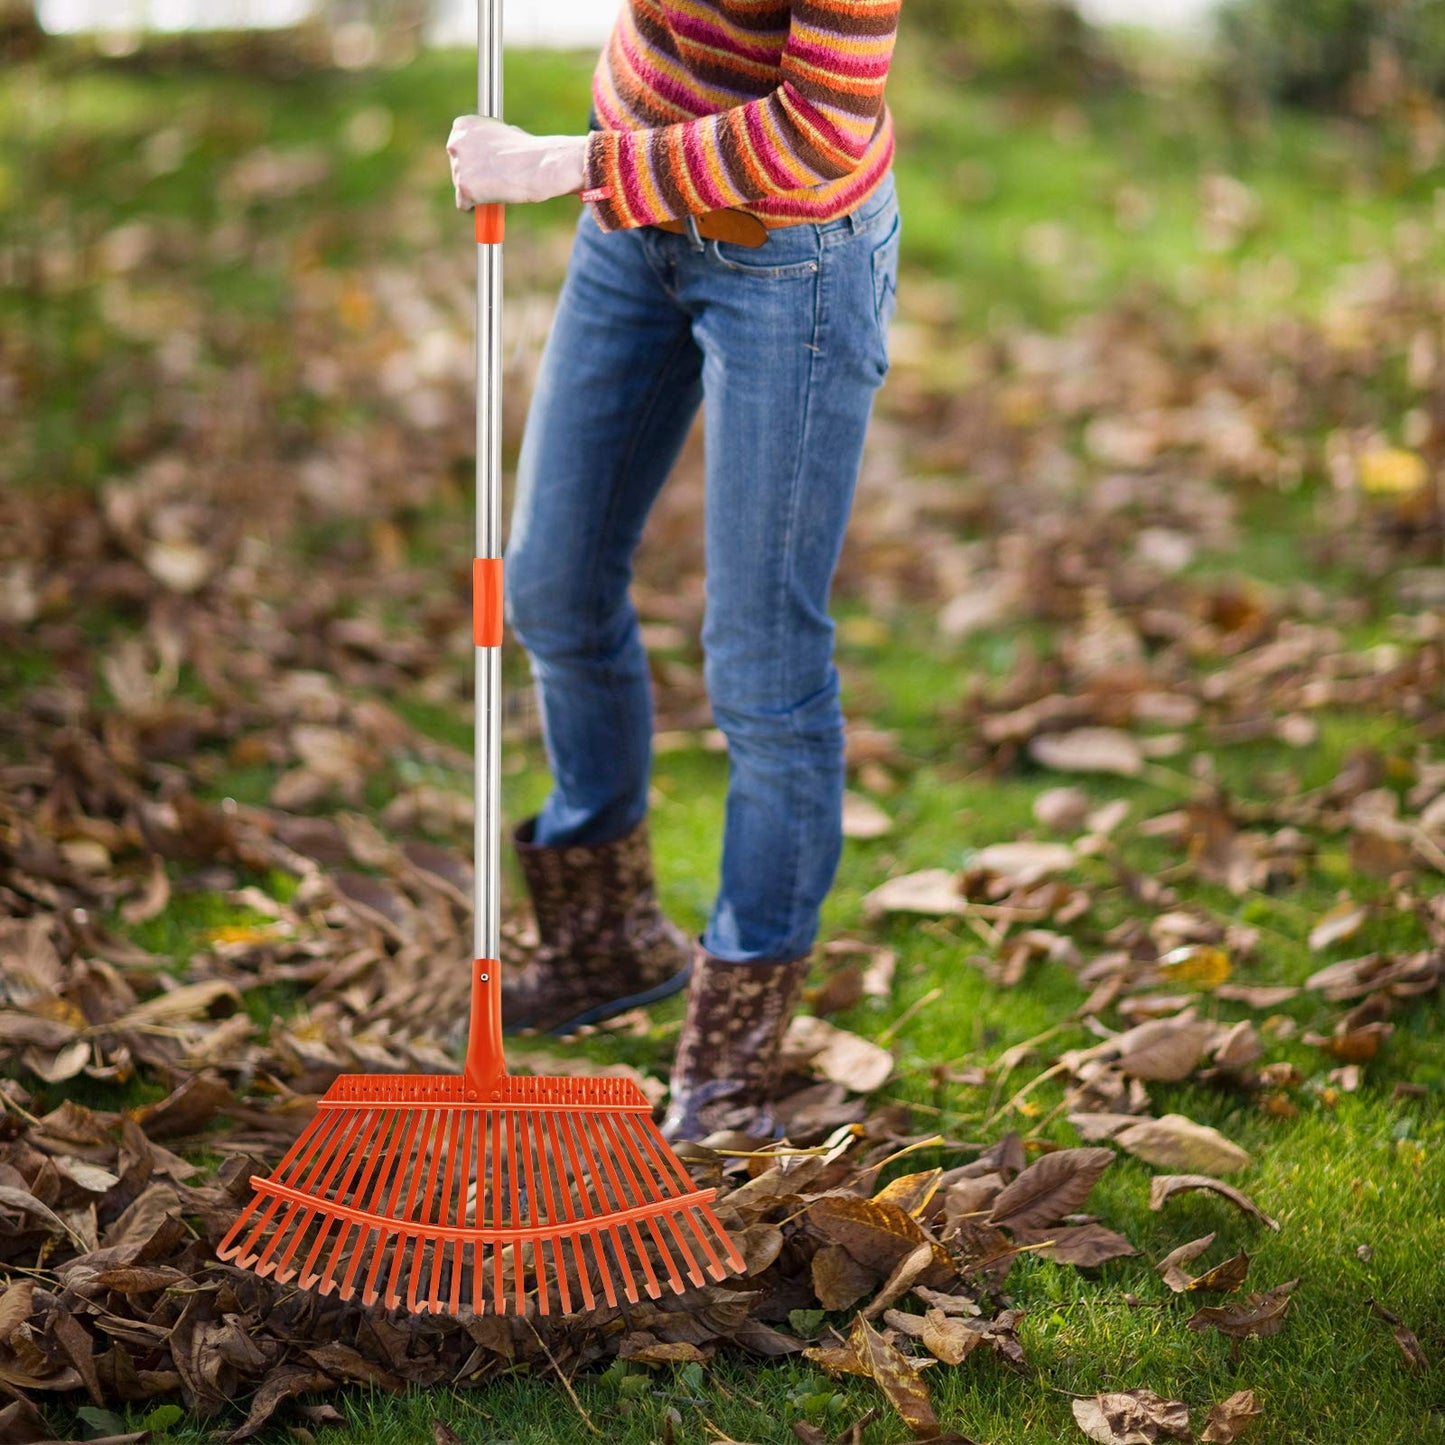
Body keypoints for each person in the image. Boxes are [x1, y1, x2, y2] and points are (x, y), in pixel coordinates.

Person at [447, 0, 901, 1142]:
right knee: (550, 586)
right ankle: (605, 944)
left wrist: (563, 163)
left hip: (787, 255)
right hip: (632, 229)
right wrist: (599, 169)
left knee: (762, 667)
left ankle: (732, 1063)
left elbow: (819, 127)